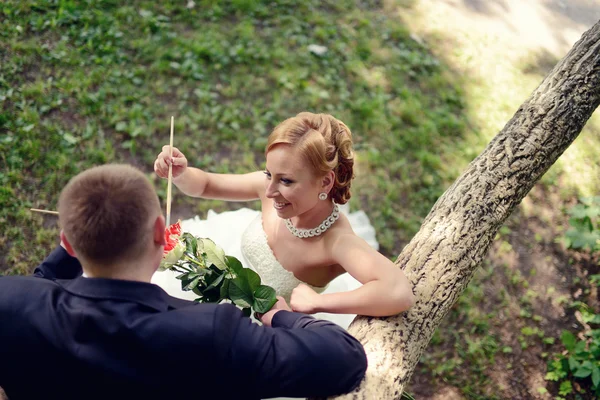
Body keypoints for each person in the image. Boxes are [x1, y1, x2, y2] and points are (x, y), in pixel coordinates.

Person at [0, 164, 367, 400]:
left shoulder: (10, 303)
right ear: (162, 232)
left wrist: (63, 257)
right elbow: (343, 360)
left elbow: (37, 289)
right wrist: (284, 318)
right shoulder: (210, 333)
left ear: (68, 242)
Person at [153, 112, 415, 327]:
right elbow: (206, 186)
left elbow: (398, 291)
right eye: (269, 174)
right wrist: (181, 173)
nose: (268, 191)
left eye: (286, 181)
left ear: (325, 181)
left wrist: (317, 302)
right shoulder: (270, 189)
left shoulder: (336, 241)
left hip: (263, 332)